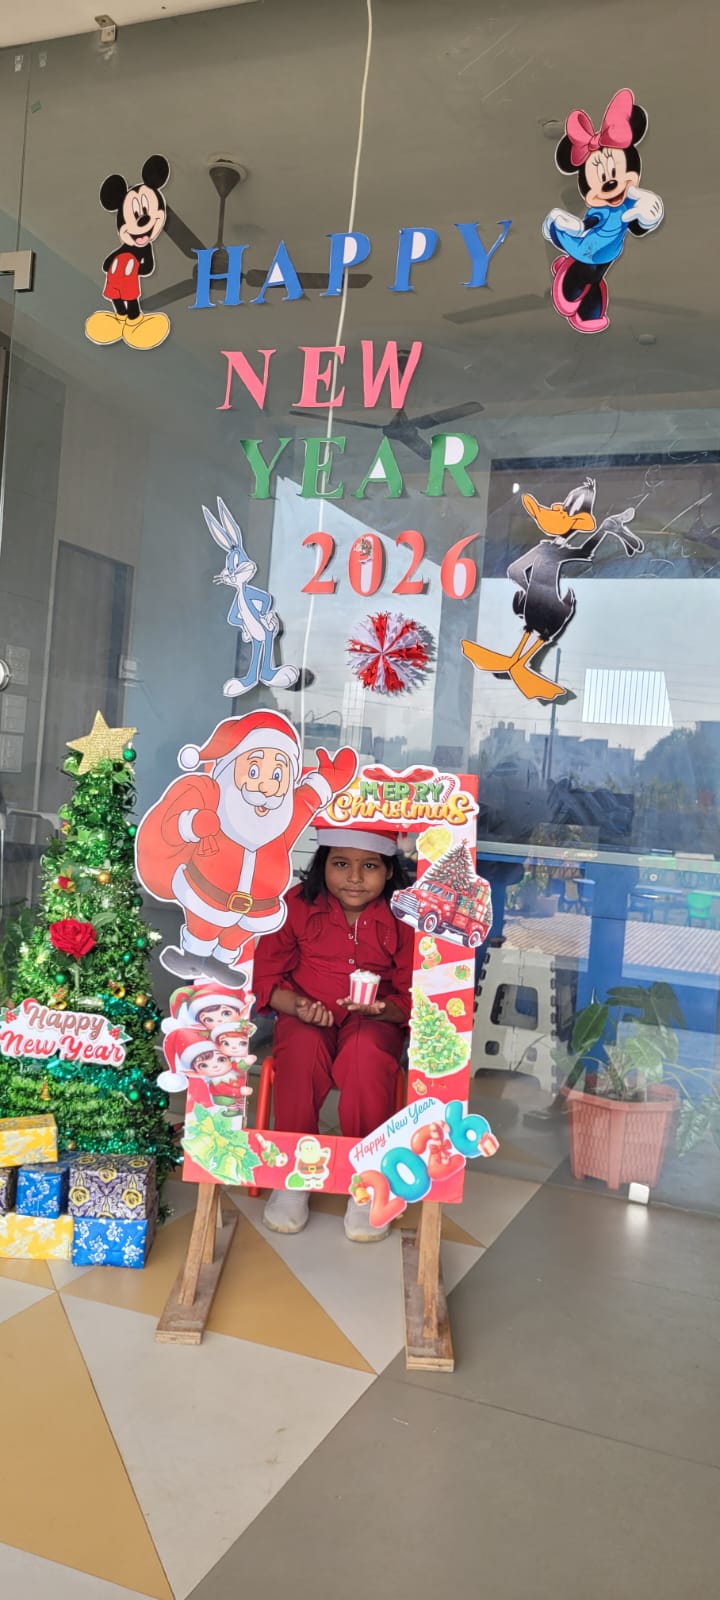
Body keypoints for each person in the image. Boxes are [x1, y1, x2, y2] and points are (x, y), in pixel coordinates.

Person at [253, 827, 413, 1242]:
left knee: (365, 1058)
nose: (355, 878)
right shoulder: (296, 906)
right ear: (322, 863)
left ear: (389, 870)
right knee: (301, 1054)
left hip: (375, 1019)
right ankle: (293, 1176)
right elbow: (265, 977)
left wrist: (384, 1010)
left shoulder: (405, 917)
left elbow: (415, 992)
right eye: (341, 864)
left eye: (370, 866)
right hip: (307, 1013)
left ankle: (368, 1181)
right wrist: (297, 1006)